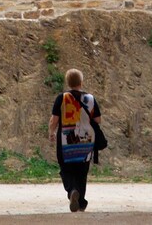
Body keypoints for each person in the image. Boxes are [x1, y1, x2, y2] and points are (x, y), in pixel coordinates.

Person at [49, 68, 101, 212]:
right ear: (81, 82)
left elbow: (54, 120)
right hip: (86, 141)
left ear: (68, 82)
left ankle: (72, 191)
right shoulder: (90, 99)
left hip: (66, 140)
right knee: (82, 171)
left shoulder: (62, 98)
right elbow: (98, 119)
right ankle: (82, 203)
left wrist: (51, 132)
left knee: (65, 169)